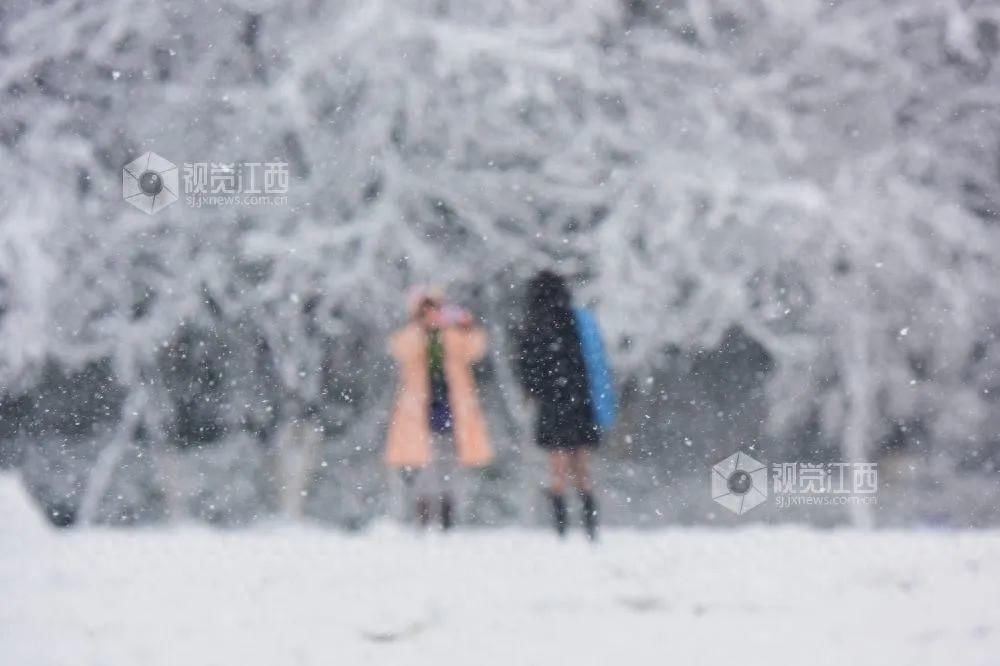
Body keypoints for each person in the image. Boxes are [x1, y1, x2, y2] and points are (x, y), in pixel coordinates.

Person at [384, 287, 493, 529]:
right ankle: (423, 513)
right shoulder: (413, 336)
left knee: (449, 460)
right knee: (424, 463)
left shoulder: (452, 336)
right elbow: (400, 349)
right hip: (419, 408)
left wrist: (466, 326)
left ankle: (447, 514)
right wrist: (422, 329)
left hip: (452, 405)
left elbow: (475, 349)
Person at [517, 271, 601, 540]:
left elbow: (528, 371)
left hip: (552, 406)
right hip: (580, 402)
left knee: (557, 469)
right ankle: (590, 525)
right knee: (582, 468)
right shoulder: (576, 323)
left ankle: (561, 526)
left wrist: (538, 391)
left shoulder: (533, 327)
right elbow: (590, 364)